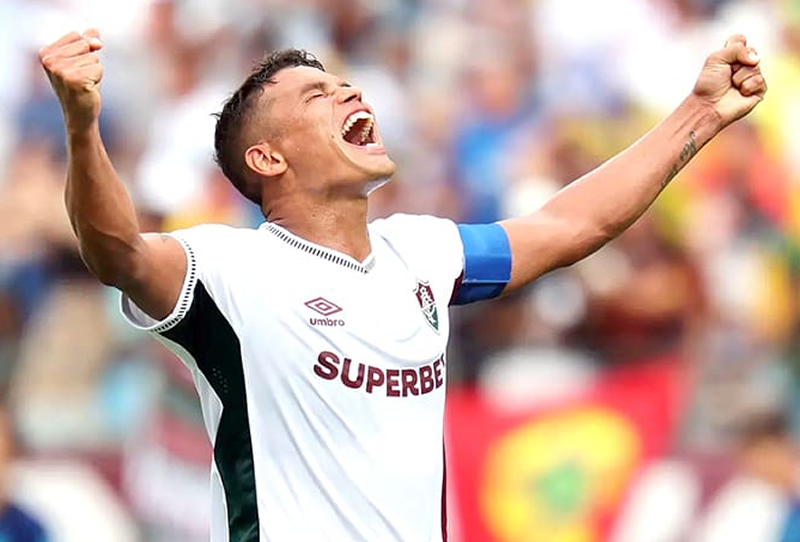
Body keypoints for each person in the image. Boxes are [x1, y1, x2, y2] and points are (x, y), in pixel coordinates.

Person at [38, 28, 766, 542]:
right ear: (267, 157)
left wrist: (700, 112)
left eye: (344, 83)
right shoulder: (229, 270)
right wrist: (81, 124)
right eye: (317, 94)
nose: (348, 91)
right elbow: (117, 252)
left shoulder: (421, 252)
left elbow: (569, 224)